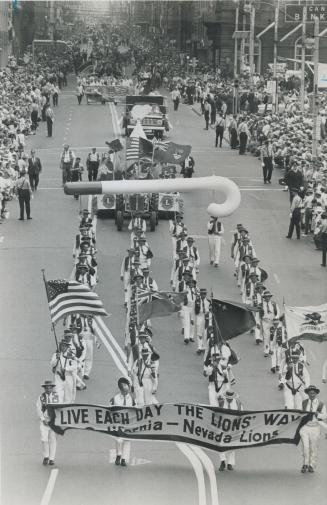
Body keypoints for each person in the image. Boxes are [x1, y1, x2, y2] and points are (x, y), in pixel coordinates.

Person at [299, 385, 327, 473]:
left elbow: (325, 416)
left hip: (315, 427)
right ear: (307, 393)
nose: (312, 395)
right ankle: (305, 464)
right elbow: (298, 413)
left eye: (313, 393)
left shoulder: (321, 404)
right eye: (310, 393)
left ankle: (311, 465)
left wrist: (317, 414)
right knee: (306, 446)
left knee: (313, 447)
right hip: (305, 427)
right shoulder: (303, 403)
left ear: (316, 393)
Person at [109, 377, 136, 467]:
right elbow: (109, 409)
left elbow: (136, 410)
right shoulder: (115, 399)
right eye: (124, 390)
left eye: (127, 389)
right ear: (120, 389)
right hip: (118, 423)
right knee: (119, 440)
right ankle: (118, 454)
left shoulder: (132, 399)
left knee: (127, 440)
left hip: (128, 423)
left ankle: (124, 458)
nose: (126, 392)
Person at [218, 390, 243, 471]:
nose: (229, 399)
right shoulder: (221, 402)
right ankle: (222, 461)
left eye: (230, 398)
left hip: (233, 426)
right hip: (222, 426)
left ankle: (230, 463)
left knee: (232, 445)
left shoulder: (238, 403)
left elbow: (242, 414)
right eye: (228, 398)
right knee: (221, 443)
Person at [36, 380, 59, 466]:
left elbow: (60, 408)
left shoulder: (57, 396)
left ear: (52, 388)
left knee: (53, 439)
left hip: (53, 421)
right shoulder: (41, 397)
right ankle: (46, 456)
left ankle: (52, 458)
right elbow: (38, 409)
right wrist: (43, 419)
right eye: (46, 387)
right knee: (44, 439)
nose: (48, 389)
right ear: (44, 388)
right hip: (44, 420)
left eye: (50, 387)